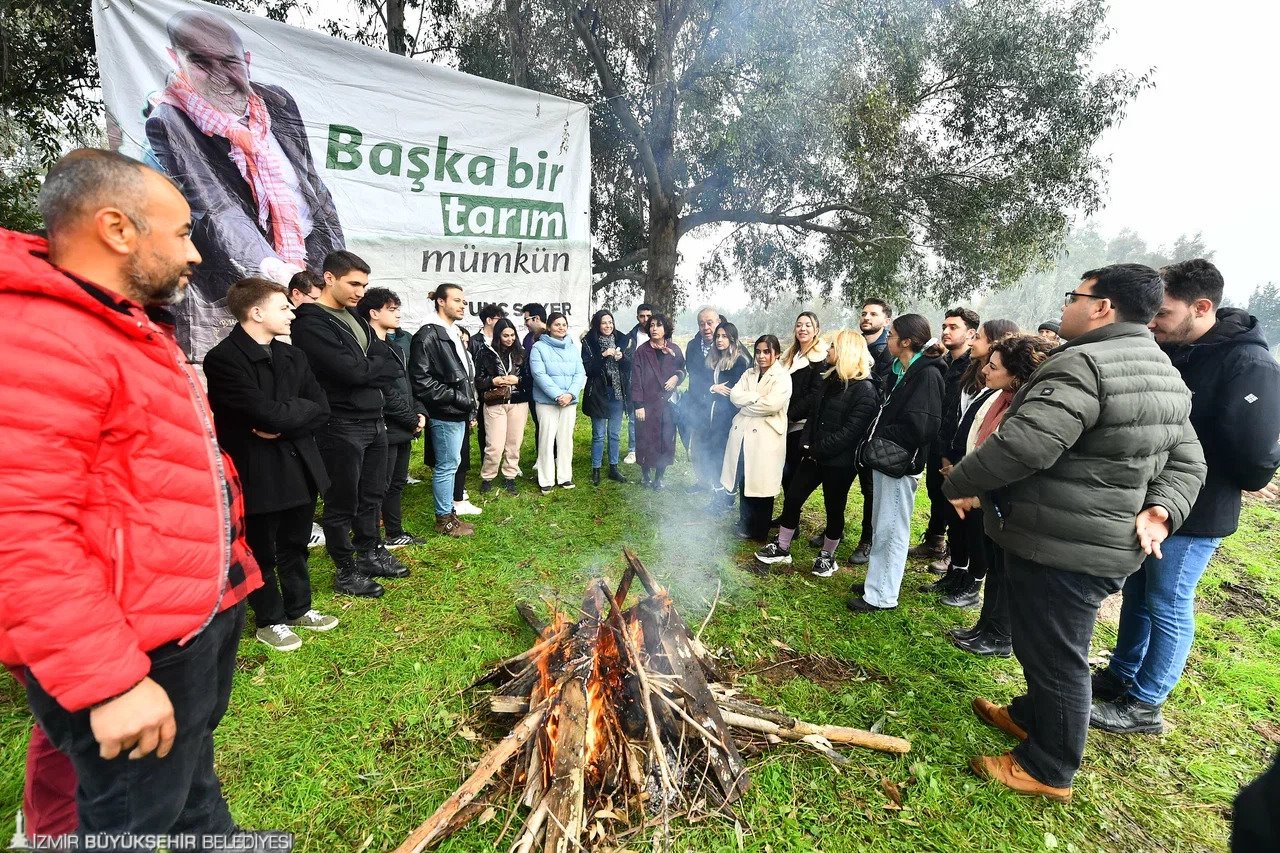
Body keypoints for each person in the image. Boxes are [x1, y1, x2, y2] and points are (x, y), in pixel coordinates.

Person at [0, 148, 278, 847]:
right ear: (118, 228)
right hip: (133, 645)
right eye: (182, 233)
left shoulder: (123, 323)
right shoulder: (40, 336)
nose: (193, 254)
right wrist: (108, 682)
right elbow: (20, 528)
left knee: (187, 779)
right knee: (127, 819)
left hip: (187, 617)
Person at [943, 263, 1207, 803]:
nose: (1066, 306)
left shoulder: (1085, 364)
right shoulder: (1161, 369)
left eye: (1074, 296)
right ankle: (1027, 716)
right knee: (1046, 646)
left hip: (1063, 544)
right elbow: (1190, 462)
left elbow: (1024, 445)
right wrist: (1163, 510)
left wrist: (959, 482)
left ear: (1102, 307)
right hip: (1088, 541)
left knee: (1058, 657)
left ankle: (1048, 766)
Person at [1091, 259, 1280, 734]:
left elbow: (1256, 451)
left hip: (1198, 510)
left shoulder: (1247, 362)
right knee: (1138, 592)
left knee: (1169, 601)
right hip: (1154, 500)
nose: (1153, 322)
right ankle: (1121, 675)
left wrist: (1210, 471)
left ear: (1201, 308)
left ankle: (1146, 703)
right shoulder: (1176, 349)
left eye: (1165, 313)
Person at [145, 10, 344, 360]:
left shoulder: (279, 102)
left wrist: (336, 270)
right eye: (201, 63)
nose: (220, 75)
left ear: (247, 61)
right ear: (176, 59)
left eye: (229, 62)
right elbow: (219, 210)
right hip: (239, 284)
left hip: (308, 267)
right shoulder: (169, 120)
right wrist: (279, 274)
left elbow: (311, 186)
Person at [205, 276, 339, 654]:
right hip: (258, 471)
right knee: (261, 549)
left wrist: (280, 422)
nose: (293, 313)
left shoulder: (292, 355)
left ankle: (299, 608)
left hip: (299, 466)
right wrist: (283, 418)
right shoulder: (224, 359)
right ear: (257, 312)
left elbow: (319, 408)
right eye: (284, 307)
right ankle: (270, 619)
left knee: (295, 543)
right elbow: (265, 413)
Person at [291, 250, 406, 597]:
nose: (360, 291)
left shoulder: (354, 316)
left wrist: (369, 368)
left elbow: (391, 359)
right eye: (353, 283)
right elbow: (351, 372)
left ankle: (370, 552)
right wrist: (371, 368)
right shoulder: (309, 322)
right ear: (329, 278)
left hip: (374, 419)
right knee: (342, 500)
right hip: (340, 423)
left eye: (364, 284)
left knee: (373, 493)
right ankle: (345, 570)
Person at [944, 335, 1053, 657]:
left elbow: (1012, 461)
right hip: (992, 499)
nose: (985, 372)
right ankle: (985, 626)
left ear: (1016, 374)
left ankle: (1000, 635)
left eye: (993, 367)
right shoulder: (1000, 398)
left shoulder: (1029, 409)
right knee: (997, 566)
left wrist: (974, 495)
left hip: (1014, 504)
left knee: (1008, 573)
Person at [755, 330, 879, 576]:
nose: (828, 350)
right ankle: (782, 547)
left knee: (834, 508)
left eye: (833, 347)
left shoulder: (865, 390)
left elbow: (851, 432)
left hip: (840, 463)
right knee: (792, 498)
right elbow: (813, 415)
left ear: (846, 352)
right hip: (813, 456)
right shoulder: (828, 380)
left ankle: (827, 555)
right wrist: (805, 443)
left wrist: (818, 448)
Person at [848, 315, 945, 613]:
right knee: (882, 524)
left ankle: (882, 596)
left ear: (905, 341)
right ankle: (875, 582)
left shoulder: (927, 374)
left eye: (891, 335)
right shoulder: (900, 369)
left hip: (901, 461)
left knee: (892, 529)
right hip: (886, 458)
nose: (886, 339)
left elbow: (923, 425)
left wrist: (882, 434)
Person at [924, 317, 1018, 592]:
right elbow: (956, 417)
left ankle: (971, 582)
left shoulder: (1001, 387)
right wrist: (947, 458)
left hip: (975, 467)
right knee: (955, 522)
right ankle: (956, 572)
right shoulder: (968, 372)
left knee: (974, 528)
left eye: (979, 337)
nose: (972, 341)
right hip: (954, 459)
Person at [357, 287, 427, 549]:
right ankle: (371, 541)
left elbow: (407, 385)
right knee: (377, 487)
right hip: (384, 427)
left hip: (404, 426)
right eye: (391, 309)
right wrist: (411, 418)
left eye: (398, 308)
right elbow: (384, 393)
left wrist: (420, 412)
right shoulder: (367, 347)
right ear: (374, 313)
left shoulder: (395, 347)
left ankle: (394, 532)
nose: (398, 314)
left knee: (396, 483)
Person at [909, 308, 978, 570]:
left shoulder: (974, 367)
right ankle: (935, 540)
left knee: (953, 497)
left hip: (956, 444)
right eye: (945, 326)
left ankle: (954, 551)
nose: (946, 331)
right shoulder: (941, 360)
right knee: (935, 492)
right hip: (934, 439)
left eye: (954, 327)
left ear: (971, 334)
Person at [411, 283, 479, 536]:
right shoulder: (428, 334)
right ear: (441, 301)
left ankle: (450, 514)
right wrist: (458, 399)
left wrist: (468, 407)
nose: (463, 306)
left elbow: (465, 375)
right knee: (447, 465)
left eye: (464, 301)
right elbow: (421, 380)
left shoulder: (453, 332)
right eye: (457, 300)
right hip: (444, 411)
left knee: (453, 463)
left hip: (457, 410)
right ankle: (444, 520)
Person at [721, 335, 793, 542]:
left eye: (767, 352)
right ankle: (745, 523)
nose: (762, 356)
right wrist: (754, 399)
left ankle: (760, 529)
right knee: (745, 479)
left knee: (762, 484)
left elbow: (772, 405)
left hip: (766, 438)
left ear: (776, 354)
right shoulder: (748, 373)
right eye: (759, 352)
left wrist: (748, 402)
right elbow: (735, 396)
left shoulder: (782, 377)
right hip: (743, 434)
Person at [847, 298, 895, 564]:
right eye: (864, 313)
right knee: (839, 481)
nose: (866, 317)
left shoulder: (887, 352)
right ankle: (835, 529)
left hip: (871, 430)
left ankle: (868, 540)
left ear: (886, 320)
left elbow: (883, 391)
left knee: (869, 490)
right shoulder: (855, 345)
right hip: (850, 426)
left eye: (873, 314)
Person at [530, 312, 586, 493]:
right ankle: (546, 479)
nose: (561, 328)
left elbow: (579, 373)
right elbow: (539, 375)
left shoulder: (572, 347)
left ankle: (564, 477)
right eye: (557, 325)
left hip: (569, 402)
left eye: (564, 324)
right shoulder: (538, 347)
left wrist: (570, 394)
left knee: (565, 440)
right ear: (548, 327)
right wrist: (557, 395)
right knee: (546, 439)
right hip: (547, 403)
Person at [631, 314, 687, 488]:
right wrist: (638, 405)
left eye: (659, 325)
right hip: (647, 404)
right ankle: (646, 475)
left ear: (666, 329)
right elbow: (636, 380)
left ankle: (659, 478)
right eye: (652, 325)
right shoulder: (642, 351)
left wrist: (676, 377)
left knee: (665, 439)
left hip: (667, 404)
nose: (654, 328)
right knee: (646, 439)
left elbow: (682, 370)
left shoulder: (674, 349)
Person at [476, 317, 530, 494]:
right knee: (494, 444)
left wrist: (518, 380)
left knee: (514, 442)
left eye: (512, 335)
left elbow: (530, 379)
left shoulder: (521, 353)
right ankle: (488, 476)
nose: (510, 339)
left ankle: (510, 476)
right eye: (505, 335)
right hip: (495, 402)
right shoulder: (485, 352)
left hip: (518, 401)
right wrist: (493, 380)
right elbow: (478, 380)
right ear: (498, 336)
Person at [702, 322, 751, 510]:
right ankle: (718, 495)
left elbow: (737, 392)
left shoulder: (741, 361)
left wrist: (717, 391)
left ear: (732, 338)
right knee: (714, 453)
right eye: (717, 336)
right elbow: (704, 383)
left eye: (724, 336)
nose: (720, 340)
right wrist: (712, 388)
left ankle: (727, 498)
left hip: (730, 417)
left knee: (728, 457)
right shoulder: (714, 358)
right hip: (713, 415)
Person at [780, 312, 829, 495]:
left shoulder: (821, 358)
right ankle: (787, 514)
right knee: (784, 468)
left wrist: (789, 414)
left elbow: (815, 394)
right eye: (799, 325)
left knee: (793, 469)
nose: (803, 329)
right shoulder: (790, 354)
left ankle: (792, 518)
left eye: (808, 325)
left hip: (801, 423)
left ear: (816, 330)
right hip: (784, 418)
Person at [582, 309, 631, 485]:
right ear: (597, 324)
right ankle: (596, 469)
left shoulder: (622, 340)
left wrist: (622, 357)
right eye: (604, 322)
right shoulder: (589, 342)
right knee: (599, 435)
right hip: (598, 394)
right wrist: (603, 355)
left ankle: (613, 468)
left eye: (610, 322)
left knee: (615, 434)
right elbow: (589, 370)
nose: (608, 325)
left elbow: (628, 367)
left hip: (618, 394)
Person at [682, 306, 722, 476]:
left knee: (717, 444)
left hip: (720, 404)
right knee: (697, 444)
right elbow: (692, 373)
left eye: (709, 323)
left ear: (718, 322)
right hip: (697, 401)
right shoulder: (692, 345)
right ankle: (701, 481)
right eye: (701, 324)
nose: (706, 327)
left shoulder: (727, 343)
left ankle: (717, 484)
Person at [623, 303, 656, 463]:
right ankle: (632, 450)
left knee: (655, 416)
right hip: (634, 382)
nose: (645, 319)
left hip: (655, 385)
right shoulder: (630, 337)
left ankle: (653, 448)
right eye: (642, 316)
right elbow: (626, 360)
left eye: (648, 316)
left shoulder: (659, 334)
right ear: (637, 317)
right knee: (633, 417)